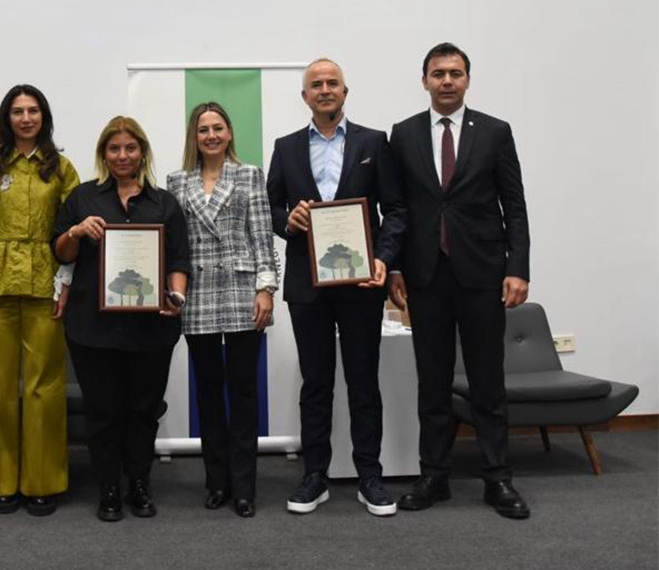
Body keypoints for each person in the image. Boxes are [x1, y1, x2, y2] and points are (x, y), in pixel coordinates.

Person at [386, 43, 531, 519]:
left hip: (482, 273)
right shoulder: (403, 135)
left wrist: (517, 267)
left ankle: (498, 478)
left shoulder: (494, 131)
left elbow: (514, 204)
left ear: (468, 79)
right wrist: (397, 269)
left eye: (455, 73)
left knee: (488, 381)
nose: (446, 81)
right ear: (423, 80)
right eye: (437, 73)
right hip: (426, 276)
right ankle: (434, 476)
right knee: (432, 382)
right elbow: (398, 209)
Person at [266, 58, 406, 517]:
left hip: (362, 282)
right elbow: (269, 210)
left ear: (345, 92)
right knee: (316, 383)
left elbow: (396, 210)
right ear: (305, 96)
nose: (324, 90)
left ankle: (370, 477)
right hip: (307, 283)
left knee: (364, 380)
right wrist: (287, 221)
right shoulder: (285, 148)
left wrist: (384, 259)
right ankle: (315, 476)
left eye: (332, 83)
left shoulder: (374, 142)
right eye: (315, 85)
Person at [52, 116, 189, 522]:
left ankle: (139, 484)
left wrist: (177, 295)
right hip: (93, 329)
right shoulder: (82, 198)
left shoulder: (164, 202)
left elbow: (179, 259)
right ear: (104, 154)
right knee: (103, 411)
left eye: (130, 148)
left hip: (151, 329)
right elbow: (60, 253)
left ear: (142, 152)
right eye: (114, 149)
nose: (123, 156)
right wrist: (76, 232)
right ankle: (109, 488)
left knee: (143, 410)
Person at [0, 85, 79, 516]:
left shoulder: (61, 168)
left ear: (43, 117)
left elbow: (73, 230)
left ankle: (42, 483)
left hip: (45, 285)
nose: (26, 118)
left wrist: (65, 282)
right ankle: (0, 483)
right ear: (6, 118)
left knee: (45, 388)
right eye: (17, 111)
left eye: (33, 111)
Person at [166, 102, 277, 518]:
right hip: (198, 296)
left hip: (243, 290)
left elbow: (262, 236)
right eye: (203, 130)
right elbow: (175, 245)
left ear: (229, 132)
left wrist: (265, 289)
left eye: (217, 128)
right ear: (194, 138)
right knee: (209, 392)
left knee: (244, 392)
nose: (210, 135)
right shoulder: (176, 182)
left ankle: (245, 487)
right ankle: (217, 483)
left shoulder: (250, 175)